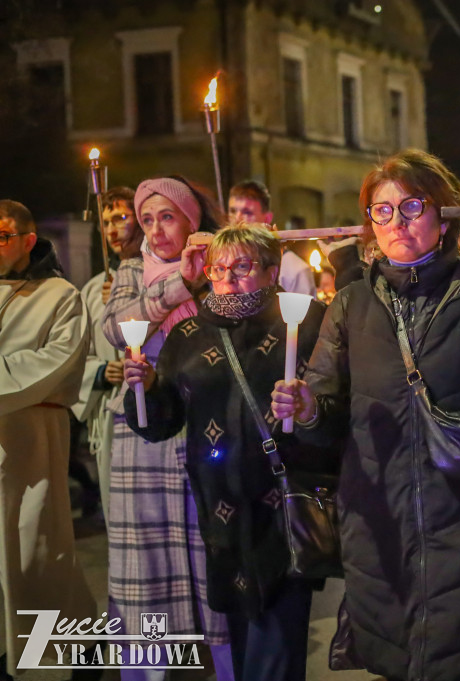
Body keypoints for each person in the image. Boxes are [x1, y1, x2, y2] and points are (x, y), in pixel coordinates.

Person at [270, 149, 460, 681]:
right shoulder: (353, 301)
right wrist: (308, 407)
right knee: (399, 654)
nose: (397, 222)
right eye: (381, 211)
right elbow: (324, 405)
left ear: (444, 213)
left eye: (412, 206)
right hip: (378, 513)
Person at [122, 225, 329, 681]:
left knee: (274, 644)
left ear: (273, 271)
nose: (228, 278)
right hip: (220, 517)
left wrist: (308, 408)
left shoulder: (306, 321)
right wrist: (147, 388)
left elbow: (338, 409)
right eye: (218, 268)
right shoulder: (189, 333)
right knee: (241, 640)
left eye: (242, 266)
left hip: (283, 509)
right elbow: (160, 424)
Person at [101, 176, 233, 679]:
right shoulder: (132, 270)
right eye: (147, 219)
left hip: (209, 429)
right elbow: (117, 327)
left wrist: (210, 276)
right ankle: (146, 671)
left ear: (191, 220)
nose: (155, 230)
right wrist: (182, 282)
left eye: (167, 217)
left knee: (212, 558)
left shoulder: (220, 265)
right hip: (144, 440)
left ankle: (225, 665)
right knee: (147, 570)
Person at [0, 200, 97, 675]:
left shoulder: (60, 295)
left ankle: (76, 653)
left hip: (30, 442)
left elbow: (54, 362)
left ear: (28, 240)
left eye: (1, 236)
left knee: (37, 554)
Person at [74, 186, 144, 519]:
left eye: (120, 218)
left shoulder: (158, 277)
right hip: (109, 411)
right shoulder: (91, 290)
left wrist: (123, 301)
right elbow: (76, 355)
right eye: (105, 222)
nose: (112, 230)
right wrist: (101, 371)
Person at [229, 180, 316, 296]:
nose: (237, 218)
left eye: (247, 212)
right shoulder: (222, 265)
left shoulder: (295, 270)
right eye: (233, 211)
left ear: (267, 218)